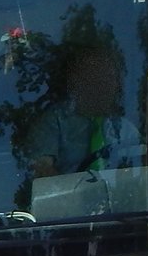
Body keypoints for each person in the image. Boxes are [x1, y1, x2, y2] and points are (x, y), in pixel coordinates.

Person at [29, 44, 140, 178]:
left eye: (110, 78)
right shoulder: (55, 122)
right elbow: (42, 169)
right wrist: (71, 197)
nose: (105, 85)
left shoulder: (126, 130)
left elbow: (139, 175)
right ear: (76, 83)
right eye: (95, 78)